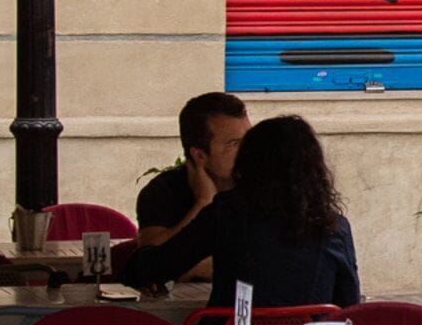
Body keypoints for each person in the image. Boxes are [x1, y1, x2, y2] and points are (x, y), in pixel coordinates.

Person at [122, 113, 360, 310]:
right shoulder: (335, 226)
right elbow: (349, 304)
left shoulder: (228, 213)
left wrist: (135, 265)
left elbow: (157, 266)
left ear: (249, 163)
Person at [131, 90, 249, 249]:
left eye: (250, 138)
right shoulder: (163, 190)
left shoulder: (266, 184)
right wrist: (204, 203)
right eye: (234, 144)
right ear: (200, 156)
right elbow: (148, 261)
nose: (249, 149)